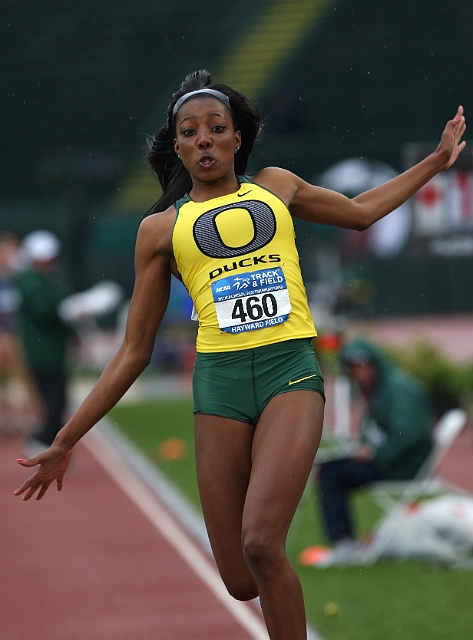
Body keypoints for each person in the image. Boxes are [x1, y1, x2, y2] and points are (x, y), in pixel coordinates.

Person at [14, 70, 466, 639]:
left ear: (235, 140)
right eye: (190, 132)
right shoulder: (159, 230)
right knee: (239, 577)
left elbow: (361, 211)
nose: (204, 139)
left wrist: (435, 161)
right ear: (177, 146)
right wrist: (66, 438)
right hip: (220, 384)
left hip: (289, 371)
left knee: (261, 542)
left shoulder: (276, 186)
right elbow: (133, 350)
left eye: (216, 128)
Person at [316, 338, 435, 566]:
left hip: (405, 467)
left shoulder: (399, 388)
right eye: (352, 367)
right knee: (331, 468)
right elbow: (377, 430)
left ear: (375, 362)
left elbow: (409, 436)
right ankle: (345, 542)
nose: (358, 372)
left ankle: (345, 545)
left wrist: (373, 453)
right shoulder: (379, 387)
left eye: (363, 365)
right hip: (392, 460)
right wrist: (363, 448)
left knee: (331, 475)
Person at [14, 230, 70, 455]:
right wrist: (68, 310)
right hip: (42, 351)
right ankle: (43, 441)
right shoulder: (30, 280)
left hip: (52, 349)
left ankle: (48, 443)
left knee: (57, 401)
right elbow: (45, 308)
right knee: (55, 401)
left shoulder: (45, 278)